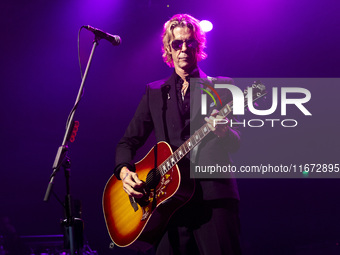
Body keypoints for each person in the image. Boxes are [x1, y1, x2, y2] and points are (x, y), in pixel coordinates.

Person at [114, 14, 241, 255]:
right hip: (167, 203)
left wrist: (224, 132)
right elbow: (128, 142)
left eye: (190, 43)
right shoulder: (154, 92)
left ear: (198, 46)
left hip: (213, 198)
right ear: (168, 50)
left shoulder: (222, 87)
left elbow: (238, 143)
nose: (184, 49)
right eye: (177, 44)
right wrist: (124, 171)